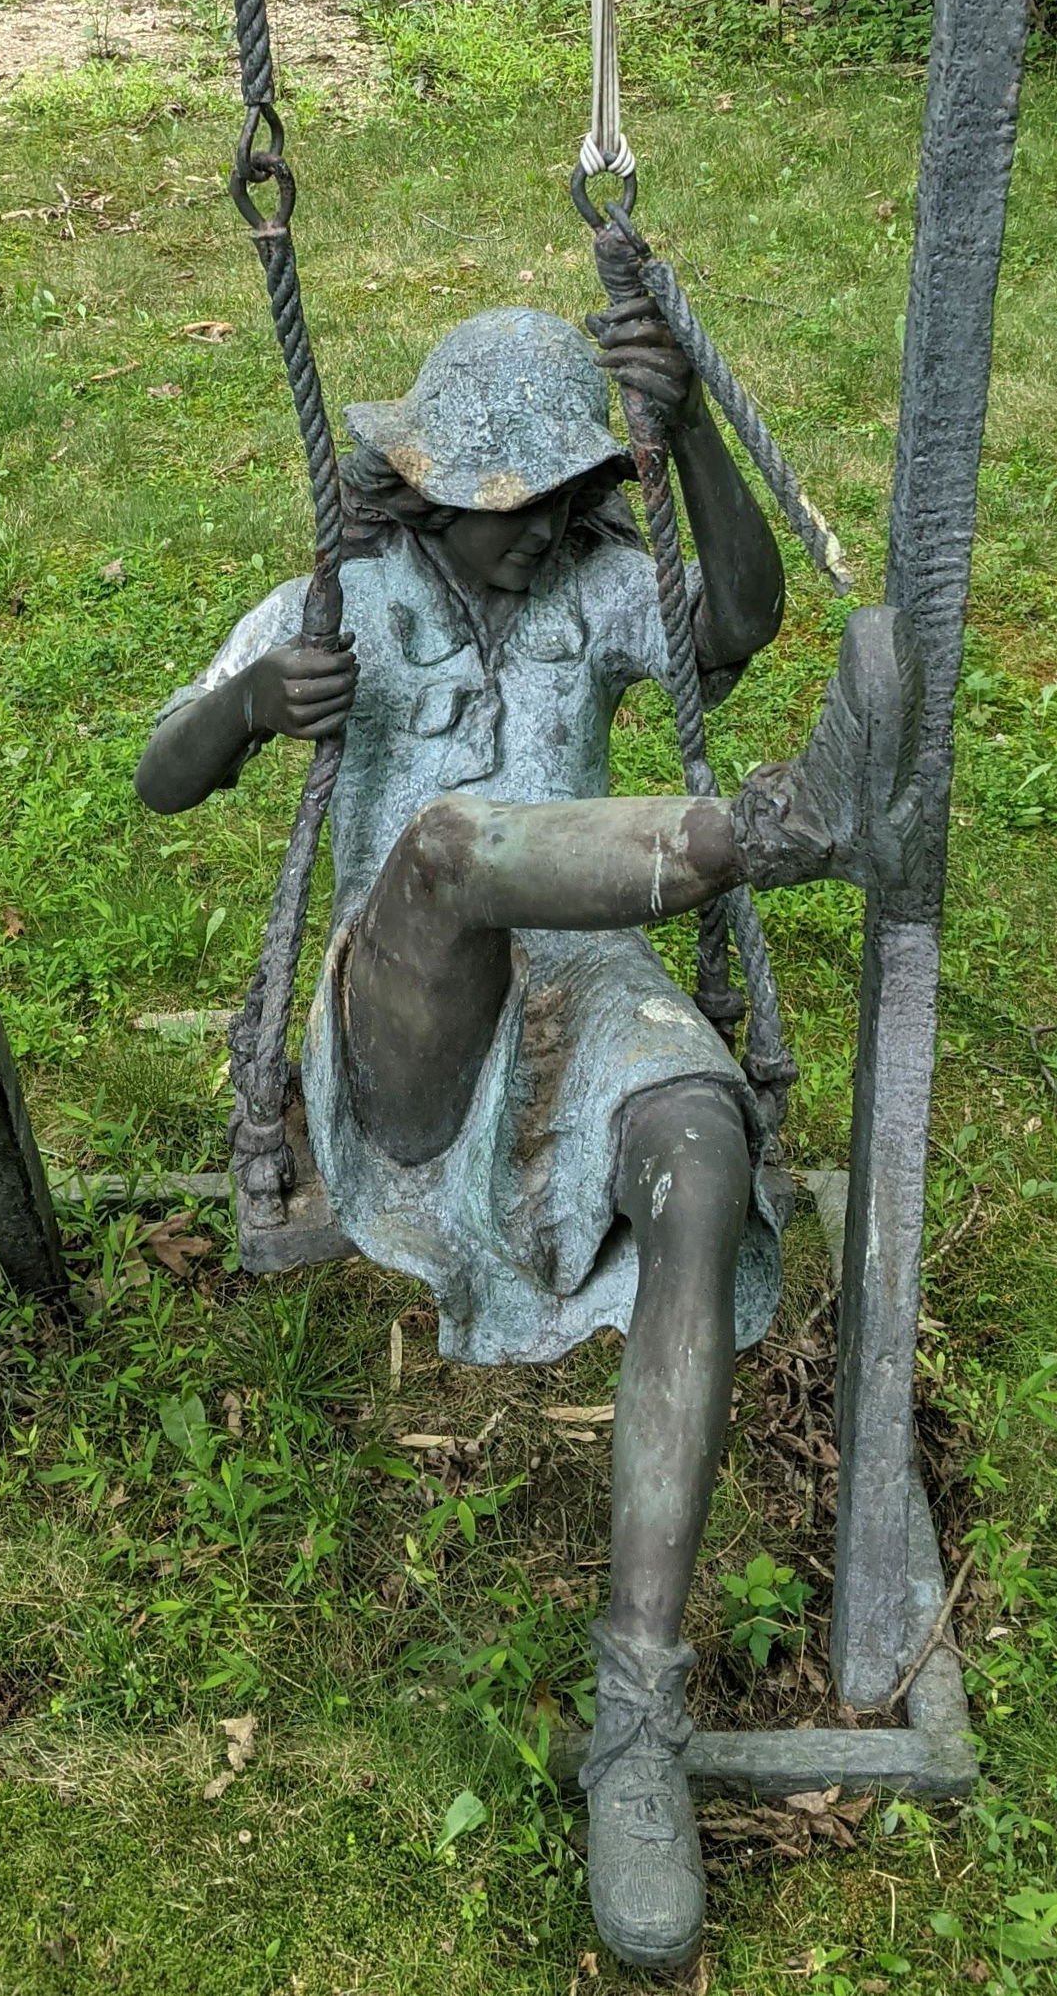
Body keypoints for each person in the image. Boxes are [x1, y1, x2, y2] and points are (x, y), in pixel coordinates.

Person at [137, 301, 923, 1972]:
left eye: (574, 497)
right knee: (443, 846)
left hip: (591, 981)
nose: (550, 529)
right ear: (430, 485)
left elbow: (738, 618)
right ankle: (782, 827)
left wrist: (685, 429)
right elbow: (160, 771)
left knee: (703, 1156)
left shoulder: (589, 590)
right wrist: (256, 706)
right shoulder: (349, 602)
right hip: (409, 1023)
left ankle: (636, 1714)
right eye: (520, 503)